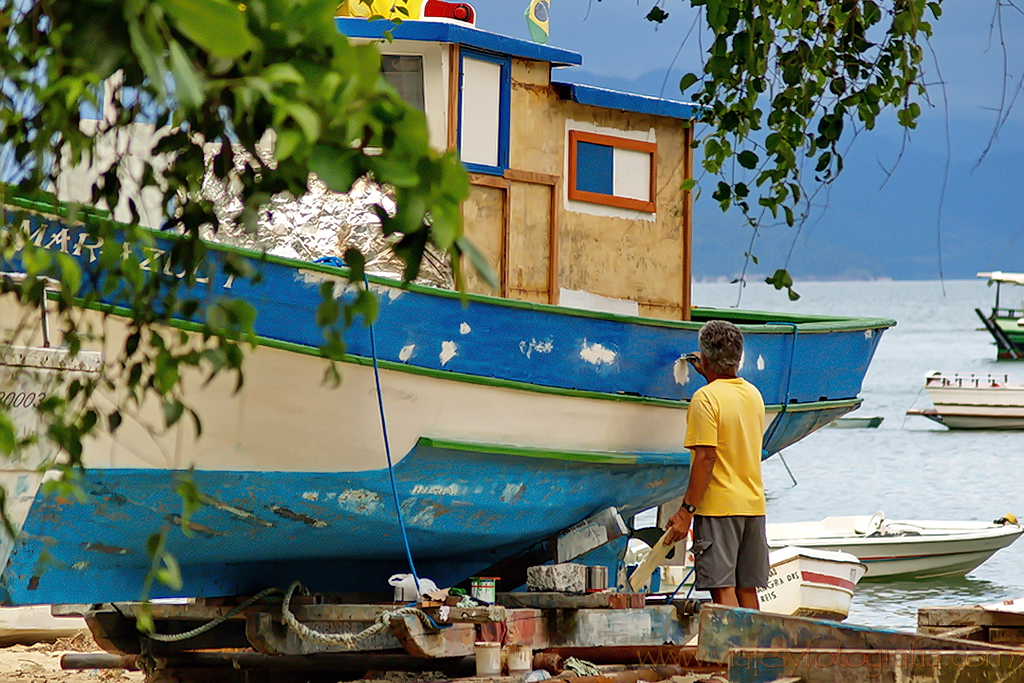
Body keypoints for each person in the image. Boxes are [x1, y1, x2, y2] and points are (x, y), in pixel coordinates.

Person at [663, 320, 768, 609]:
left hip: (719, 508)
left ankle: (731, 653)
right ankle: (753, 653)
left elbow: (706, 458)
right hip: (753, 506)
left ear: (705, 358)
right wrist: (710, 374)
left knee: (722, 591)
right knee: (748, 590)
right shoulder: (753, 395)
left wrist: (686, 512)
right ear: (738, 358)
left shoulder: (705, 399)